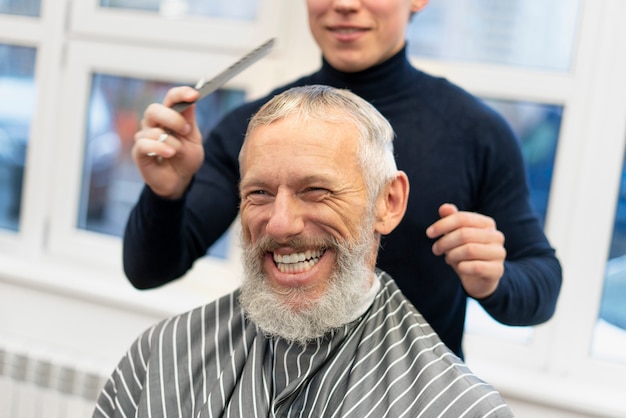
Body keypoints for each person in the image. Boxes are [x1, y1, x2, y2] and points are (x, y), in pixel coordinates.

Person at [123, 0, 562, 357]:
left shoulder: (476, 133)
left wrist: (496, 280)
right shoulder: (258, 131)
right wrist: (166, 193)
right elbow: (148, 270)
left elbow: (543, 284)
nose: (345, 5)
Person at [94, 85, 514, 417]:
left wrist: (497, 279)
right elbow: (150, 264)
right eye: (258, 193)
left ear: (388, 203)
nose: (279, 224)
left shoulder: (457, 408)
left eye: (316, 191)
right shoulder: (163, 357)